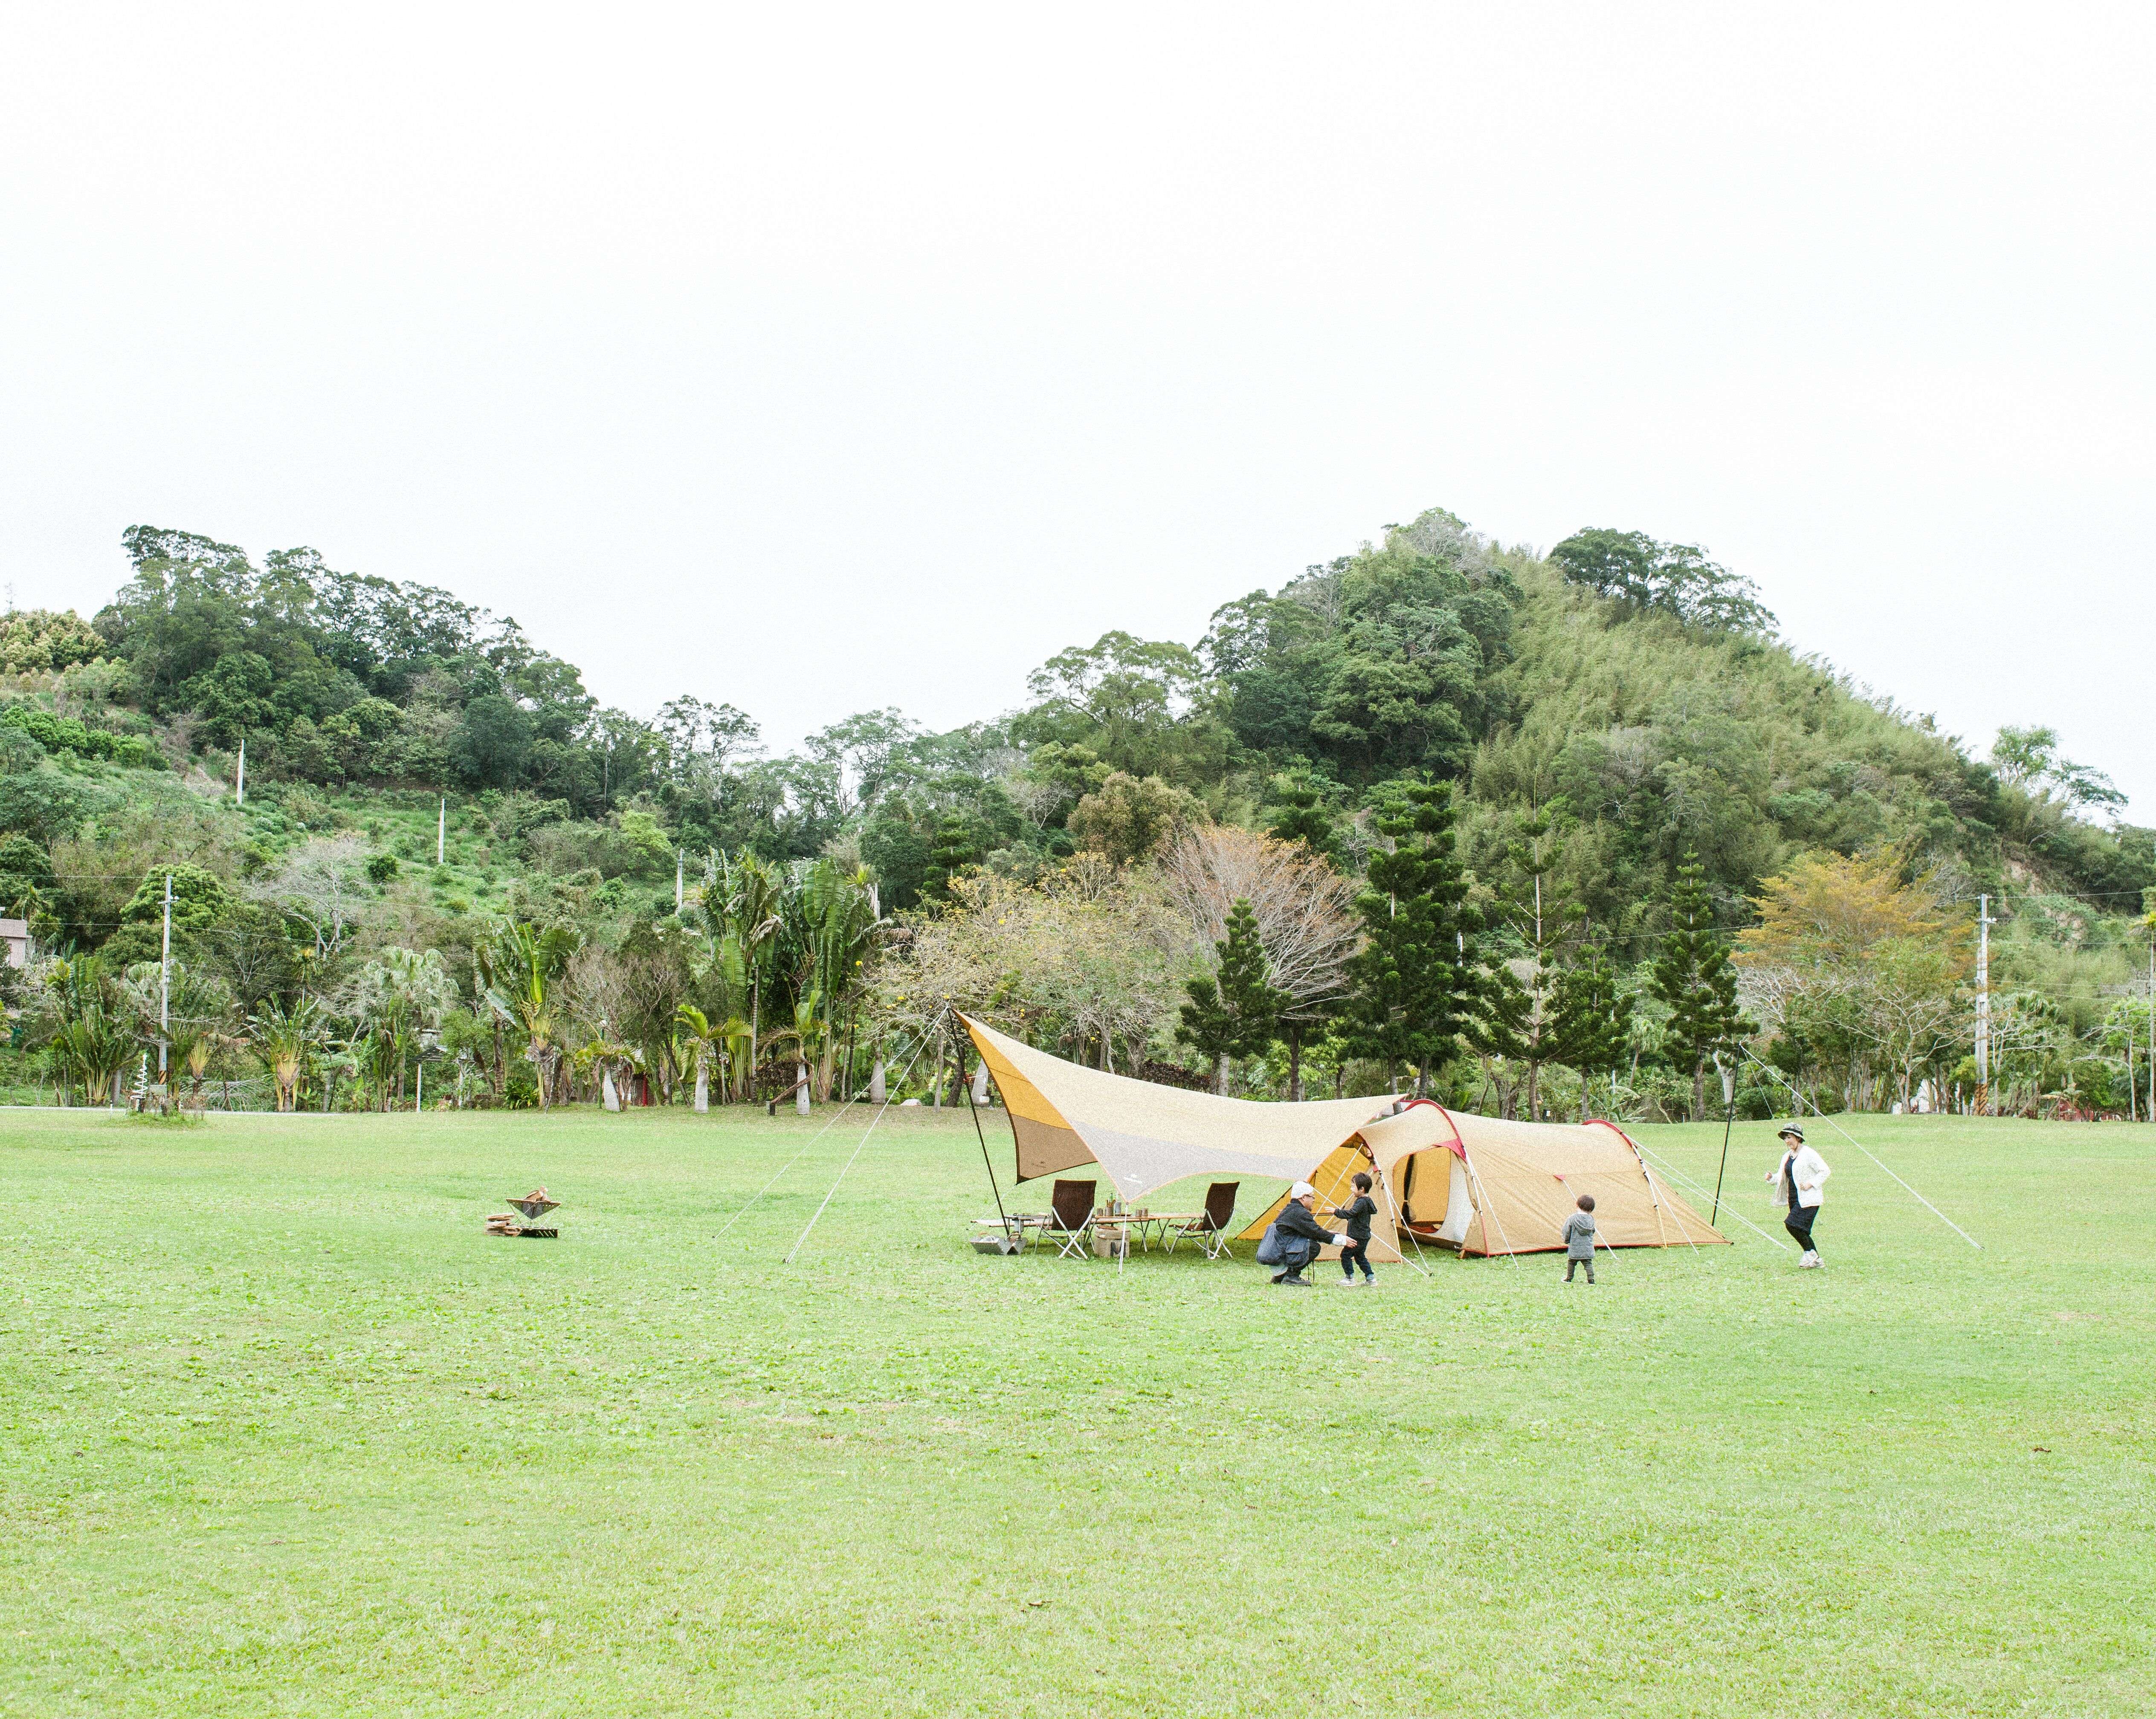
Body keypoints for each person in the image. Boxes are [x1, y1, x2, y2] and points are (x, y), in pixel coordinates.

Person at [1767, 1123, 1831, 1268]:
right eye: (1785, 1138)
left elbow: (1825, 1171)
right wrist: (1771, 1178)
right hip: (1794, 1198)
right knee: (1800, 1229)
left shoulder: (1809, 1153)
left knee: (1792, 1224)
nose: (1787, 1141)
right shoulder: (1787, 1156)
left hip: (1809, 1198)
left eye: (1789, 1137)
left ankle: (1811, 1255)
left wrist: (1811, 1183)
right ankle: (1813, 1257)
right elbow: (1782, 1176)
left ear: (1798, 1138)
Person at [1269, 1181, 1344, 1288]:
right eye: (1312, 1197)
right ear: (1304, 1197)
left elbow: (1309, 1231)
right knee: (1313, 1247)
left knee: (1307, 1243)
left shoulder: (1291, 1209)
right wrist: (1342, 1241)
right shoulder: (1300, 1212)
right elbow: (1315, 1232)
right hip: (1279, 1253)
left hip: (1276, 1251)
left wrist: (1325, 1233)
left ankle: (1281, 1276)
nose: (1314, 1200)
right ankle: (1291, 1276)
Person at [1330, 1171, 1379, 1287]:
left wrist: (1336, 1212)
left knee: (1345, 1256)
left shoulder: (1362, 1201)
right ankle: (1371, 1278)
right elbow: (1357, 1217)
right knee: (1360, 1257)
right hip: (1363, 1237)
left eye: (1353, 1186)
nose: (1351, 1189)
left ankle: (1349, 1278)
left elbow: (1352, 1213)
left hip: (1357, 1237)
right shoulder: (1367, 1201)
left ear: (1361, 1189)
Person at [1562, 1192, 1597, 1283]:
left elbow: (1567, 1231)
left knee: (1571, 1263)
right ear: (1591, 1209)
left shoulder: (1572, 1218)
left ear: (1577, 1205)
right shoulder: (1591, 1219)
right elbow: (1593, 1231)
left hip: (1575, 1247)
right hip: (1587, 1248)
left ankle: (1569, 1278)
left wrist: (1566, 1240)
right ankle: (1591, 1280)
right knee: (1588, 1264)